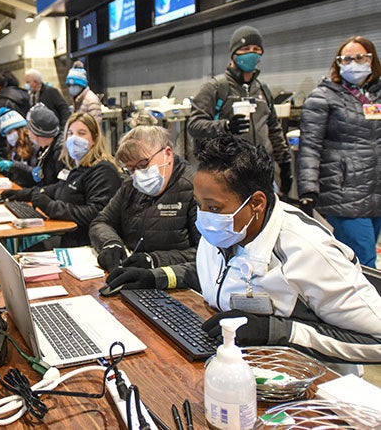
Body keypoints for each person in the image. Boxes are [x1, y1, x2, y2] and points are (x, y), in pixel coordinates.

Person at [104, 134, 381, 364]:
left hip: (306, 384)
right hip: (240, 365)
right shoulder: (228, 229)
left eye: (213, 207)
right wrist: (158, 276)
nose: (203, 217)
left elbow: (377, 341)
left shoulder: (307, 251)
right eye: (199, 204)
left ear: (257, 203)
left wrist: (281, 331)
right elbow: (219, 274)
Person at [297, 36, 381, 268]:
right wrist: (308, 189)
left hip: (375, 190)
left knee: (362, 255)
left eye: (360, 57)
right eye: (347, 59)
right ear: (338, 63)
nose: (353, 63)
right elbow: (310, 146)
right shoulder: (323, 96)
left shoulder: (377, 95)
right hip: (344, 192)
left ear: (371, 60)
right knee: (364, 261)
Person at [188, 25, 293, 197]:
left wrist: (285, 163)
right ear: (234, 53)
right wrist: (226, 126)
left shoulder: (262, 90)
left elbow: (273, 128)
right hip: (227, 171)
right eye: (245, 49)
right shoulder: (216, 87)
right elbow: (194, 125)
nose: (251, 53)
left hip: (262, 172)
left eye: (256, 49)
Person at [0, 112, 122, 247]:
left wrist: (50, 206)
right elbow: (60, 188)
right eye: (70, 133)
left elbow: (96, 213)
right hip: (68, 235)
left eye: (81, 133)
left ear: (95, 138)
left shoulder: (102, 170)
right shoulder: (78, 166)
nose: (74, 138)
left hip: (85, 242)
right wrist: (23, 194)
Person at [92, 125, 199, 272]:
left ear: (167, 154)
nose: (138, 174)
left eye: (143, 165)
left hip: (176, 282)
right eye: (131, 169)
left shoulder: (194, 188)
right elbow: (101, 222)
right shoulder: (130, 186)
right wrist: (111, 243)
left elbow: (206, 253)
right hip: (133, 276)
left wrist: (155, 260)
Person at [0, 103, 64, 189]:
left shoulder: (58, 151)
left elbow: (60, 186)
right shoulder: (43, 148)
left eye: (29, 129)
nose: (28, 133)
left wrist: (34, 195)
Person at [0, 107, 39, 187]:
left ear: (20, 130)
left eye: (10, 132)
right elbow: (14, 174)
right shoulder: (14, 149)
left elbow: (37, 174)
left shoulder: (35, 147)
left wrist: (13, 166)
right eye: (6, 135)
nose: (8, 137)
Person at [65, 60, 103, 125]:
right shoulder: (78, 99)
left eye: (74, 85)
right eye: (69, 85)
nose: (71, 88)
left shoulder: (91, 101)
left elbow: (96, 126)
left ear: (82, 85)